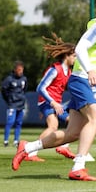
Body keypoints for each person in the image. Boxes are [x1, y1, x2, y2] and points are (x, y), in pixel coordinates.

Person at [12, 0, 96, 181]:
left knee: (72, 134)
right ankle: (78, 166)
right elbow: (80, 48)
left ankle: (27, 148)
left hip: (91, 81)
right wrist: (90, 70)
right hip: (82, 79)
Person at [23, 33, 77, 162]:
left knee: (73, 121)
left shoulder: (68, 71)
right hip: (48, 102)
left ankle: (63, 146)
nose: (76, 59)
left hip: (56, 103)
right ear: (67, 56)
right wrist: (52, 103)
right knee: (53, 126)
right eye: (74, 56)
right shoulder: (55, 69)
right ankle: (30, 152)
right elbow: (40, 88)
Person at [1, 60, 27, 147]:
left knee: (19, 123)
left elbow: (24, 89)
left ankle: (16, 141)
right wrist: (9, 99)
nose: (20, 72)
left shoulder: (24, 79)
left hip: (21, 104)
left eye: (22, 70)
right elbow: (4, 90)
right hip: (12, 104)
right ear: (15, 70)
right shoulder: (9, 79)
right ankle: (6, 140)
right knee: (10, 122)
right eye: (19, 70)